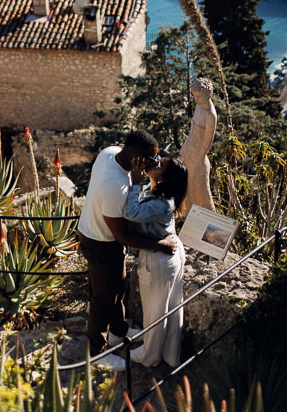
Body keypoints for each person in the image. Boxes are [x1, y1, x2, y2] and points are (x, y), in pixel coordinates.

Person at [77, 129, 178, 369]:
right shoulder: (116, 186)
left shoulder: (109, 153)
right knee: (102, 300)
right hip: (101, 244)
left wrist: (134, 179)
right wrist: (158, 245)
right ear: (136, 156)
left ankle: (118, 332)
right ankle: (97, 354)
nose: (155, 162)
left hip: (94, 233)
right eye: (152, 159)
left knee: (117, 289)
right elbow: (121, 235)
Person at [123, 155, 188, 368]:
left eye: (161, 164)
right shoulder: (164, 196)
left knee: (154, 312)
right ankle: (170, 355)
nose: (156, 161)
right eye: (160, 158)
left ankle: (148, 356)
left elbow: (132, 212)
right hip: (170, 255)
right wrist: (149, 180)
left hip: (158, 260)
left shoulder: (161, 203)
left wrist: (133, 182)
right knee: (171, 308)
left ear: (166, 179)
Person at [179, 77, 217, 214]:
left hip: (198, 159)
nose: (197, 99)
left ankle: (210, 228)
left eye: (199, 96)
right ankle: (190, 225)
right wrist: (184, 150)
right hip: (188, 153)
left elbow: (207, 142)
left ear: (208, 94)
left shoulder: (210, 116)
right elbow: (192, 132)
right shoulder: (198, 107)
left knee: (202, 194)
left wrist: (199, 159)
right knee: (187, 192)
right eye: (195, 96)